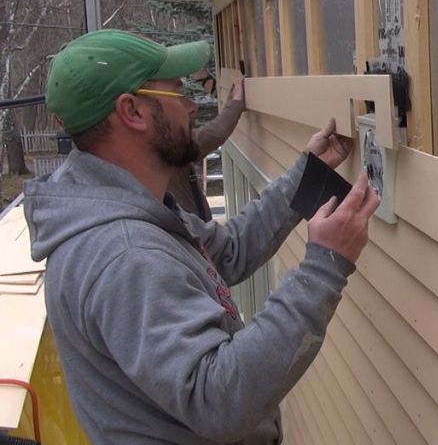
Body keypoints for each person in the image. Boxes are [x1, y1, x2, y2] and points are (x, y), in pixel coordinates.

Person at [23, 29, 379, 444]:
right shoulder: (124, 253)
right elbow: (219, 400)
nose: (193, 106)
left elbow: (227, 254)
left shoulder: (129, 207)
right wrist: (324, 268)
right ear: (132, 111)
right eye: (178, 93)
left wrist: (306, 176)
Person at [168, 78, 246, 220]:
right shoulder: (167, 148)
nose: (194, 107)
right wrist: (235, 105)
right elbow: (214, 134)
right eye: (177, 97)